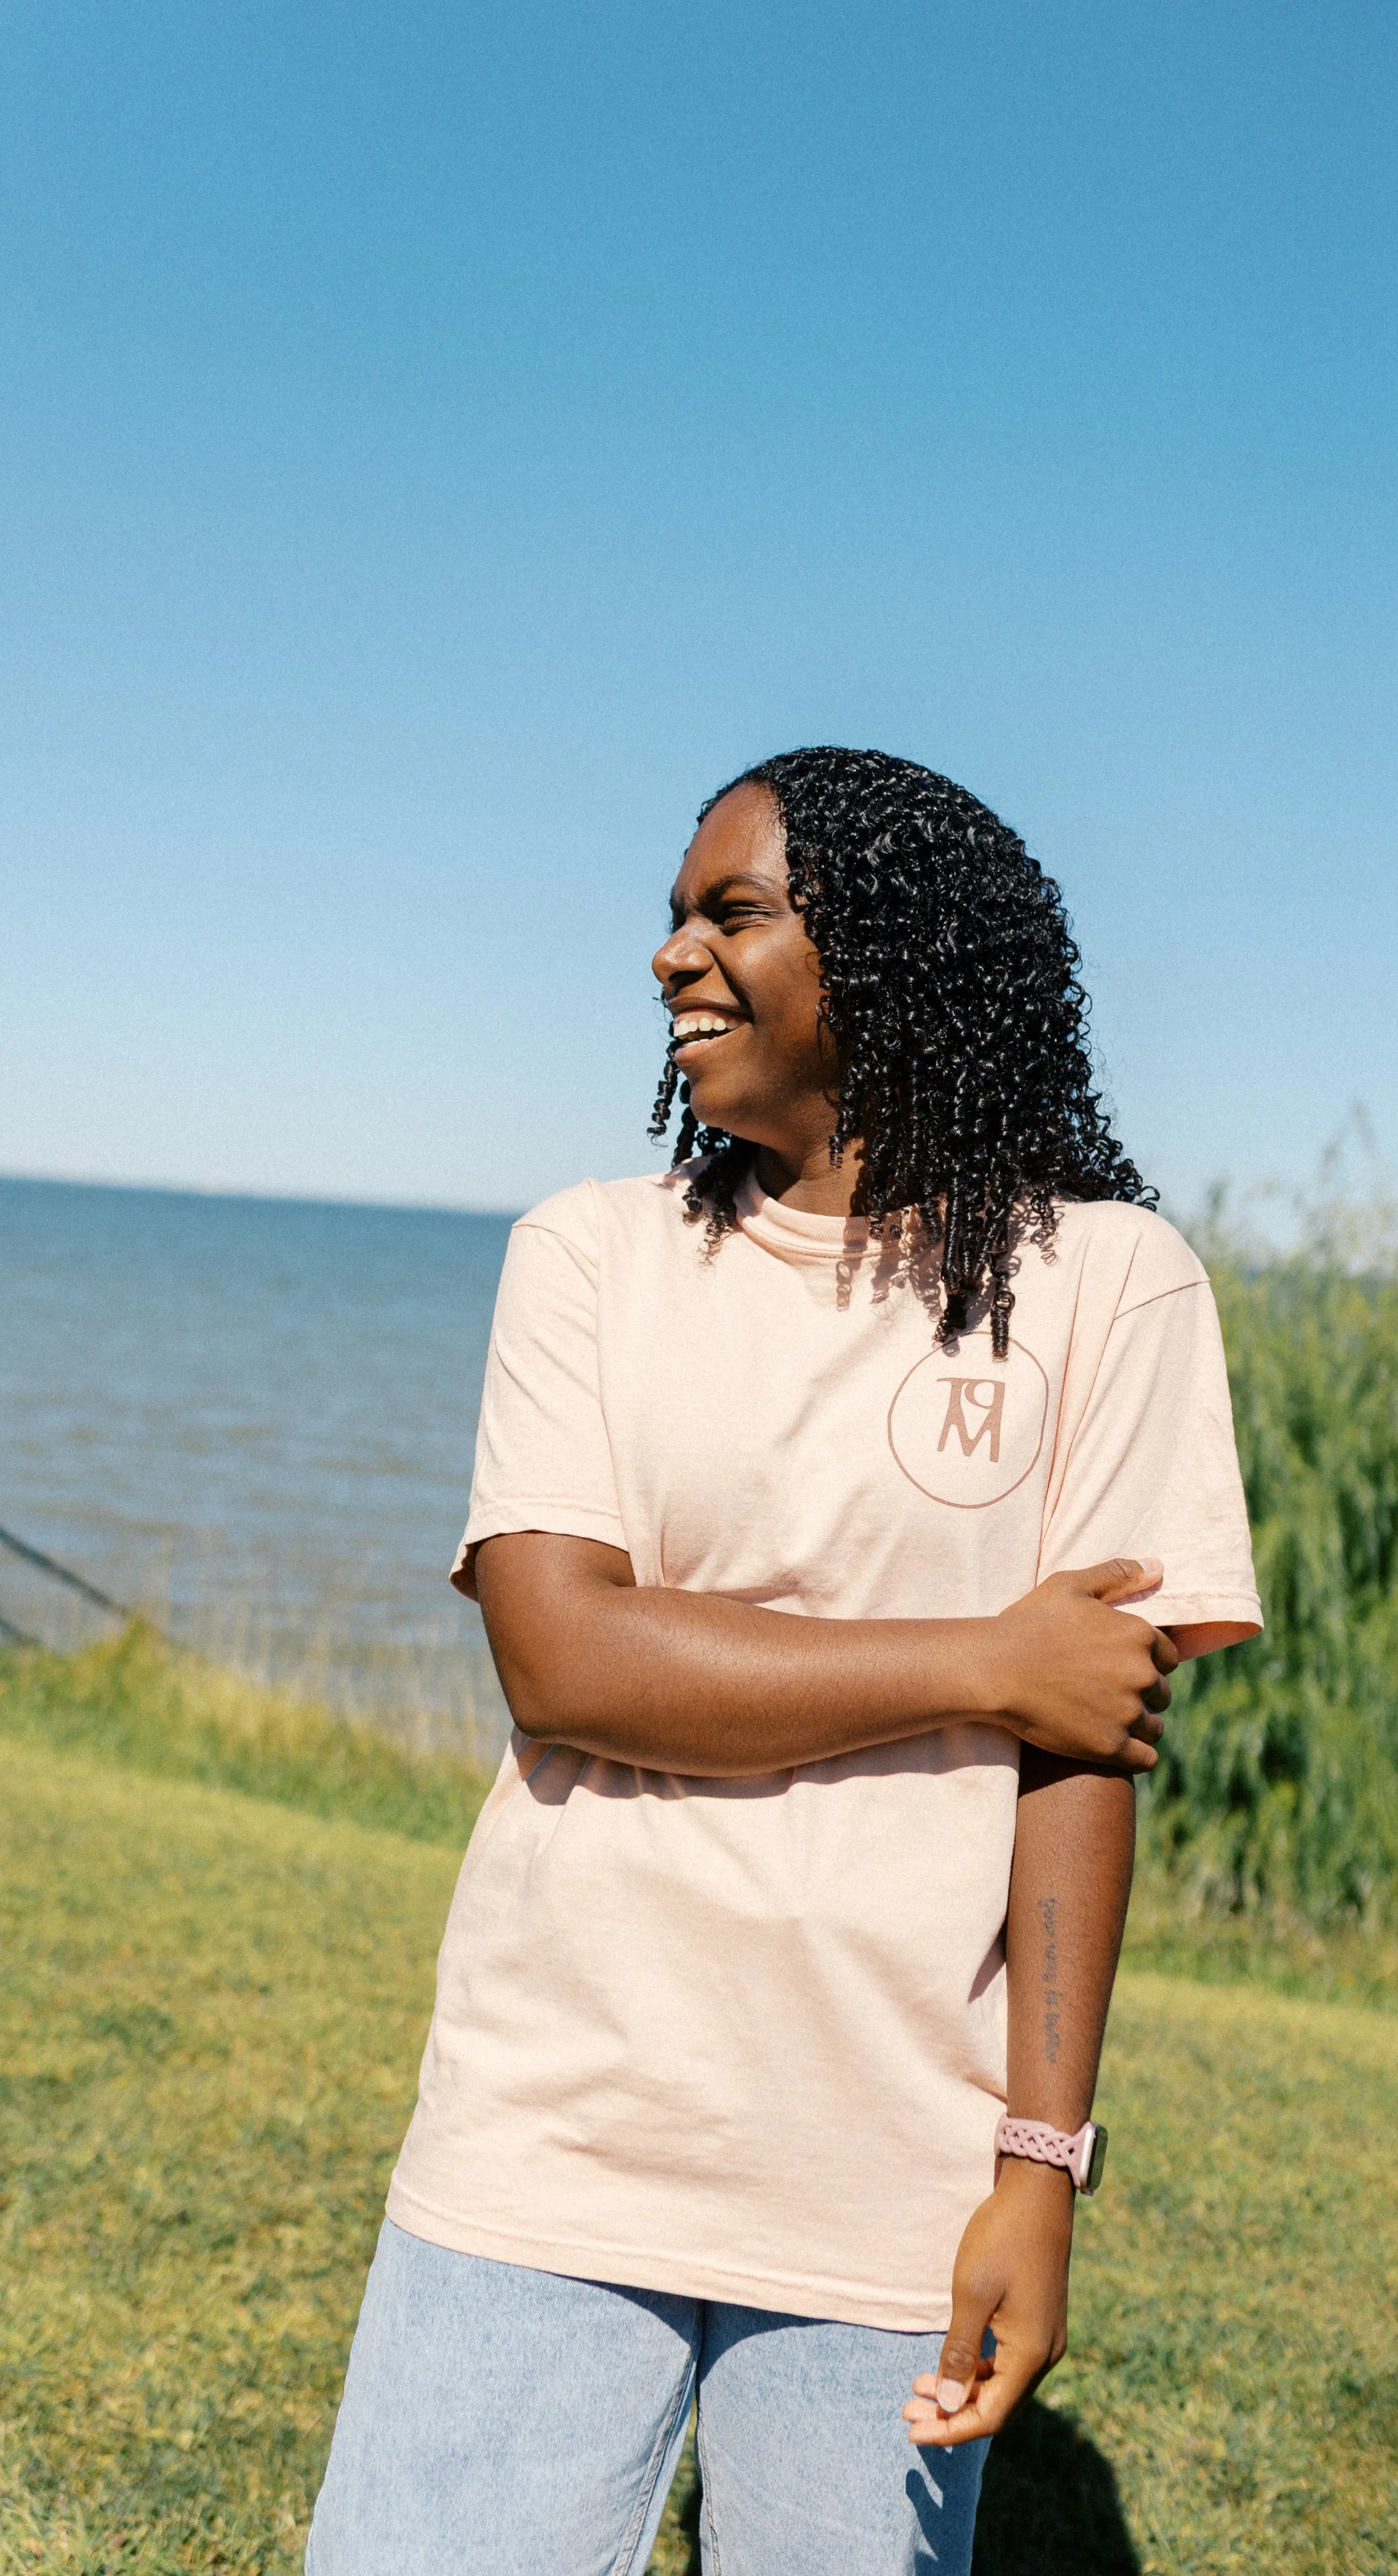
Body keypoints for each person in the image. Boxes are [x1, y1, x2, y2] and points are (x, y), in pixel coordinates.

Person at [306, 747, 1261, 2576]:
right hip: (553, 2121)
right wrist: (990, 1655)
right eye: (671, 912)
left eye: (731, 908)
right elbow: (567, 1658)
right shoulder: (592, 1257)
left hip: (891, 2170)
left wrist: (1036, 2164)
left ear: (890, 954)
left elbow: (1083, 1754)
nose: (672, 952)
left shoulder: (1110, 1286)